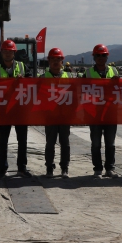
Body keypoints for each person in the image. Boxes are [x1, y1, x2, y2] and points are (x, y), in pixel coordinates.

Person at [0, 39, 30, 179]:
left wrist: (24, 79)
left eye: (10, 51)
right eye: (5, 51)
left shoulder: (23, 67)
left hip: (20, 109)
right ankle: (3, 169)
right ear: (1, 53)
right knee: (3, 140)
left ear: (14, 53)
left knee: (22, 140)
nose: (7, 54)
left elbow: (33, 83)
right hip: (4, 110)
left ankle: (22, 168)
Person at [86, 44, 120, 178]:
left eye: (103, 55)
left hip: (111, 113)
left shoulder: (114, 71)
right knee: (96, 144)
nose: (101, 57)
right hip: (94, 113)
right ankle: (98, 169)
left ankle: (110, 168)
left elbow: (121, 90)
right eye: (98, 55)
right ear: (94, 57)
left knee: (110, 144)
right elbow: (80, 91)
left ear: (107, 57)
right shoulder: (88, 73)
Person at [44, 47, 71, 178]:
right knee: (50, 143)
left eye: (58, 59)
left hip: (65, 115)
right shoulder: (42, 78)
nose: (55, 62)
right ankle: (49, 167)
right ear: (49, 61)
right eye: (53, 59)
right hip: (50, 116)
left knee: (65, 143)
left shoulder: (69, 77)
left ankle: (64, 167)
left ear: (62, 61)